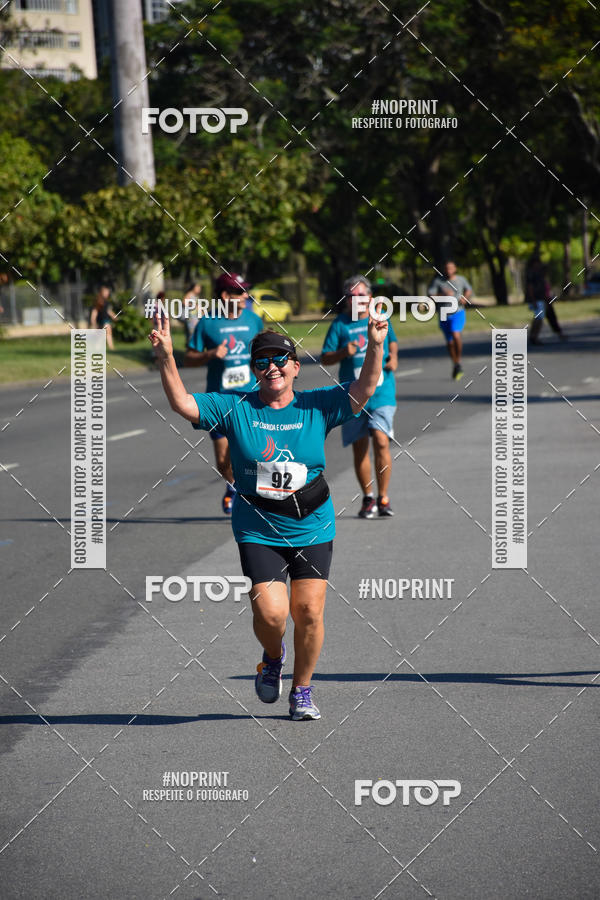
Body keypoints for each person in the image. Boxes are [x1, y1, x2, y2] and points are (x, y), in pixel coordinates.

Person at [149, 315, 388, 720]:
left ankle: (302, 690)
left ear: (296, 366)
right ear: (255, 370)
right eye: (262, 362)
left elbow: (365, 389)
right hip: (259, 525)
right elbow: (183, 404)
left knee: (309, 612)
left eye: (280, 359)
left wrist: (375, 344)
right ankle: (273, 657)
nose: (272, 367)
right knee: (272, 614)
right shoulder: (235, 406)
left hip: (312, 521)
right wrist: (167, 358)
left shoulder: (318, 404)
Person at [184, 273, 263, 514]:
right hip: (220, 400)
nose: (245, 296)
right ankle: (233, 487)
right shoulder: (207, 323)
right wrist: (210, 354)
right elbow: (188, 358)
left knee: (254, 452)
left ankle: (256, 496)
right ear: (225, 296)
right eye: (240, 292)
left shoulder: (253, 320)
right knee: (223, 460)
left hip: (252, 398)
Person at [321, 275, 398, 519]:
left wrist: (393, 357)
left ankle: (383, 497)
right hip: (353, 394)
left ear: (370, 298)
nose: (357, 300)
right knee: (360, 447)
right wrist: (345, 351)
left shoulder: (380, 317)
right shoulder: (340, 325)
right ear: (346, 300)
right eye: (352, 296)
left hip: (382, 391)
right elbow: (325, 357)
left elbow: (392, 342)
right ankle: (368, 498)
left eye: (361, 296)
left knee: (381, 439)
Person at [427, 261, 473, 380]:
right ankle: (455, 363)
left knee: (456, 334)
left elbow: (468, 290)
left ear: (455, 268)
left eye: (451, 268)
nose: (448, 270)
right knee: (450, 342)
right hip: (443, 314)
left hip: (458, 312)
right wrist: (443, 294)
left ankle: (458, 362)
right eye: (446, 268)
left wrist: (465, 298)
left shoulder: (461, 279)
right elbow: (431, 295)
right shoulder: (438, 281)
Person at [525, 256, 566, 344]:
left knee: (539, 317)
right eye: (537, 263)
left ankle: (533, 335)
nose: (538, 265)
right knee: (539, 318)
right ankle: (534, 336)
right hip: (537, 299)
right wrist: (533, 300)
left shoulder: (538, 274)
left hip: (542, 299)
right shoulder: (531, 274)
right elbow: (530, 288)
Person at [90, 285, 117, 350]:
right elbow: (95, 311)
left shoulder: (106, 302)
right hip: (100, 320)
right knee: (102, 334)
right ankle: (108, 347)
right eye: (105, 292)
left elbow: (108, 310)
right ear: (102, 292)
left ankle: (110, 347)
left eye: (107, 292)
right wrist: (93, 320)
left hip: (106, 320)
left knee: (108, 332)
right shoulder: (98, 301)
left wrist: (113, 315)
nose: (107, 293)